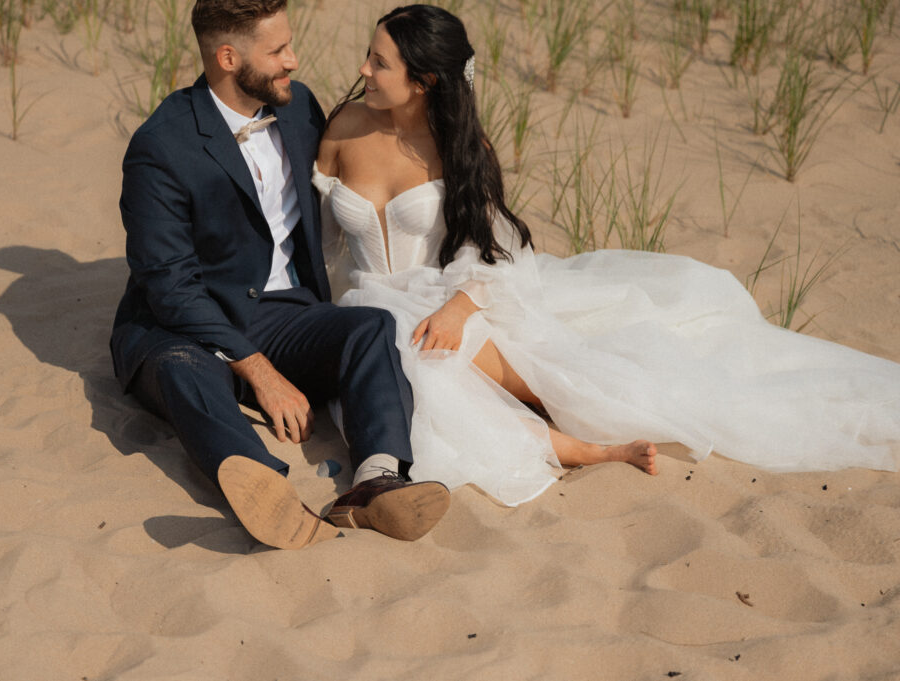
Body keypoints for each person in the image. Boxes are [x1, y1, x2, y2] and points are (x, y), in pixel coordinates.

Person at [314, 4, 900, 506]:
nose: (363, 68)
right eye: (369, 54)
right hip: (365, 302)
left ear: (425, 81)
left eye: (379, 61)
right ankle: (583, 447)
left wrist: (462, 306)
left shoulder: (462, 147)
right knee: (429, 377)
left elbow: (490, 247)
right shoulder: (344, 125)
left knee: (497, 368)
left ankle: (568, 413)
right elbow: (313, 238)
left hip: (448, 293)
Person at [111, 0, 451, 550]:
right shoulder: (161, 148)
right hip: (185, 323)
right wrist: (261, 374)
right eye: (277, 51)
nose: (293, 60)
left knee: (370, 329)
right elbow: (169, 287)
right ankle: (263, 488)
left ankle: (375, 483)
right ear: (228, 57)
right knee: (184, 371)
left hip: (283, 312)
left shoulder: (298, 110)